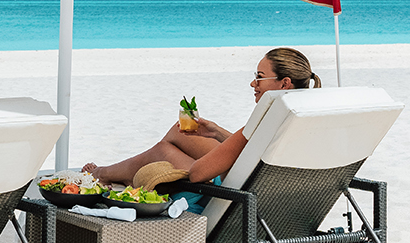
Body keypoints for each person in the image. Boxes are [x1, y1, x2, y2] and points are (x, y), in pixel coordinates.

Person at [82, 48, 321, 190]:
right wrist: (217, 132)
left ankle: (104, 174)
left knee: (163, 150)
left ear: (284, 83)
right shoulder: (304, 117)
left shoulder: (259, 124)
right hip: (267, 188)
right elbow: (254, 147)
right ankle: (117, 174)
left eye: (259, 77)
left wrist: (232, 139)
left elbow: (197, 174)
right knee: (179, 132)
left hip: (235, 196)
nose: (253, 84)